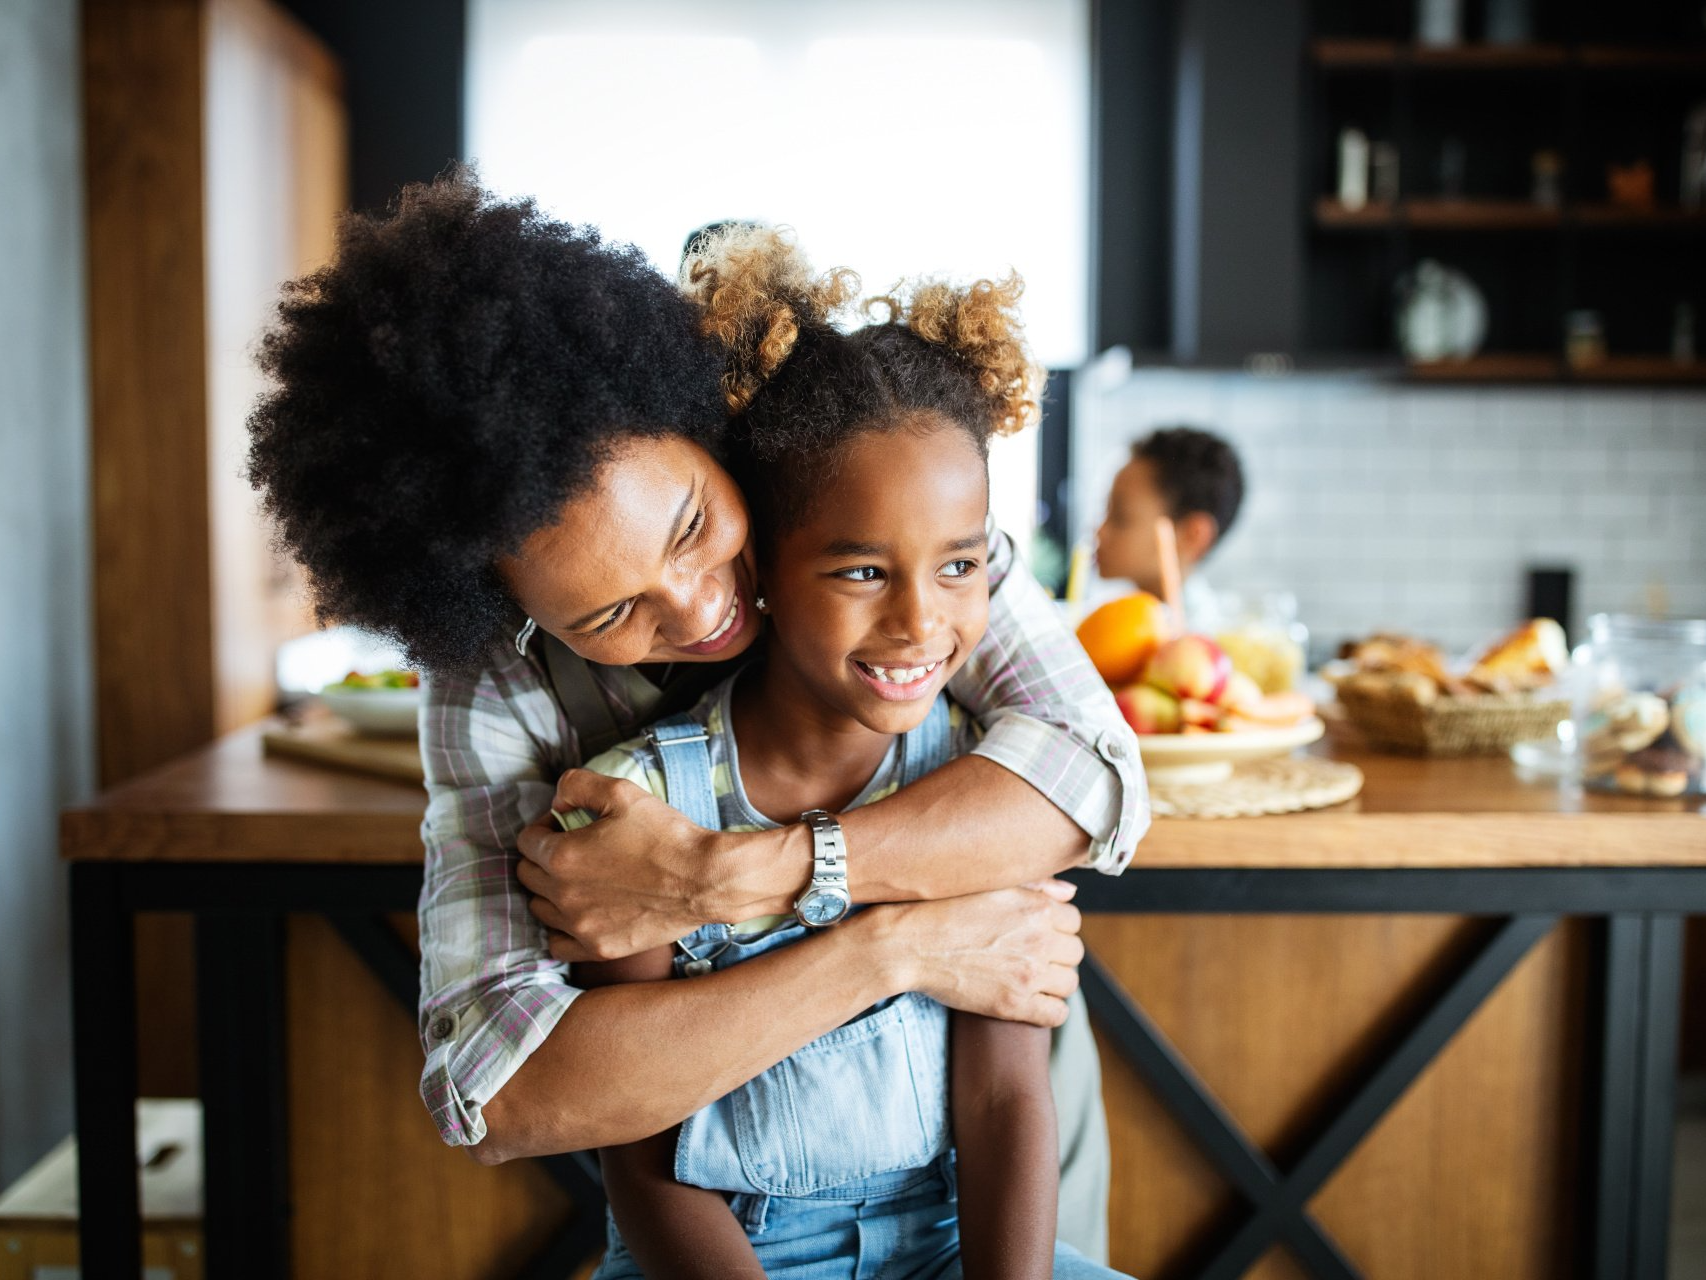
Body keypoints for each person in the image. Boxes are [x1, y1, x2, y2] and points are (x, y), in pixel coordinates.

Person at [245, 170, 1147, 1261]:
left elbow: (1091, 775)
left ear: (705, 429)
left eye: (689, 526)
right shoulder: (497, 686)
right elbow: (505, 1086)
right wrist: (895, 946)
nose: (702, 604)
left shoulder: (874, 521)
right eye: (613, 609)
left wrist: (727, 878)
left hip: (985, 1153)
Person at [567, 226, 1128, 1278]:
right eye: (863, 572)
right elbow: (639, 1159)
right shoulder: (641, 807)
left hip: (945, 1248)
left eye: (959, 564)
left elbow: (1006, 1095)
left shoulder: (981, 785)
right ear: (759, 573)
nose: (920, 622)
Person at [1093, 426, 1244, 631]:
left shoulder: (1198, 643)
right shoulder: (1109, 621)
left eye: (1121, 517)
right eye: (1106, 511)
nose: (1099, 531)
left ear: (1192, 535)